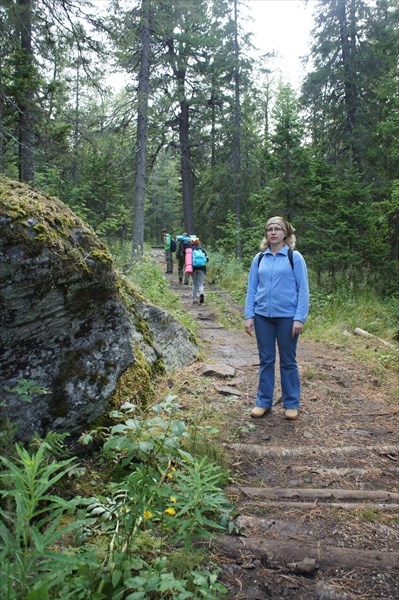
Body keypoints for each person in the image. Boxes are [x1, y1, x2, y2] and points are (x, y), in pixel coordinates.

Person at [244, 216, 309, 421]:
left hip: (287, 319)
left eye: (277, 229)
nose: (273, 232)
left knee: (288, 361)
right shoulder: (260, 258)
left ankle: (291, 403)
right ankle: (263, 402)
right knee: (266, 360)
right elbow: (252, 289)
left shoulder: (294, 257)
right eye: (269, 229)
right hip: (263, 317)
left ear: (285, 233)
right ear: (266, 234)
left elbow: (303, 290)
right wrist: (249, 315)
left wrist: (299, 318)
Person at [191, 237, 208, 304]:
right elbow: (207, 259)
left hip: (194, 269)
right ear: (198, 243)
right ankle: (201, 293)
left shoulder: (191, 250)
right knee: (201, 284)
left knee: (195, 284)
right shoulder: (202, 250)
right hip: (202, 269)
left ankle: (194, 299)